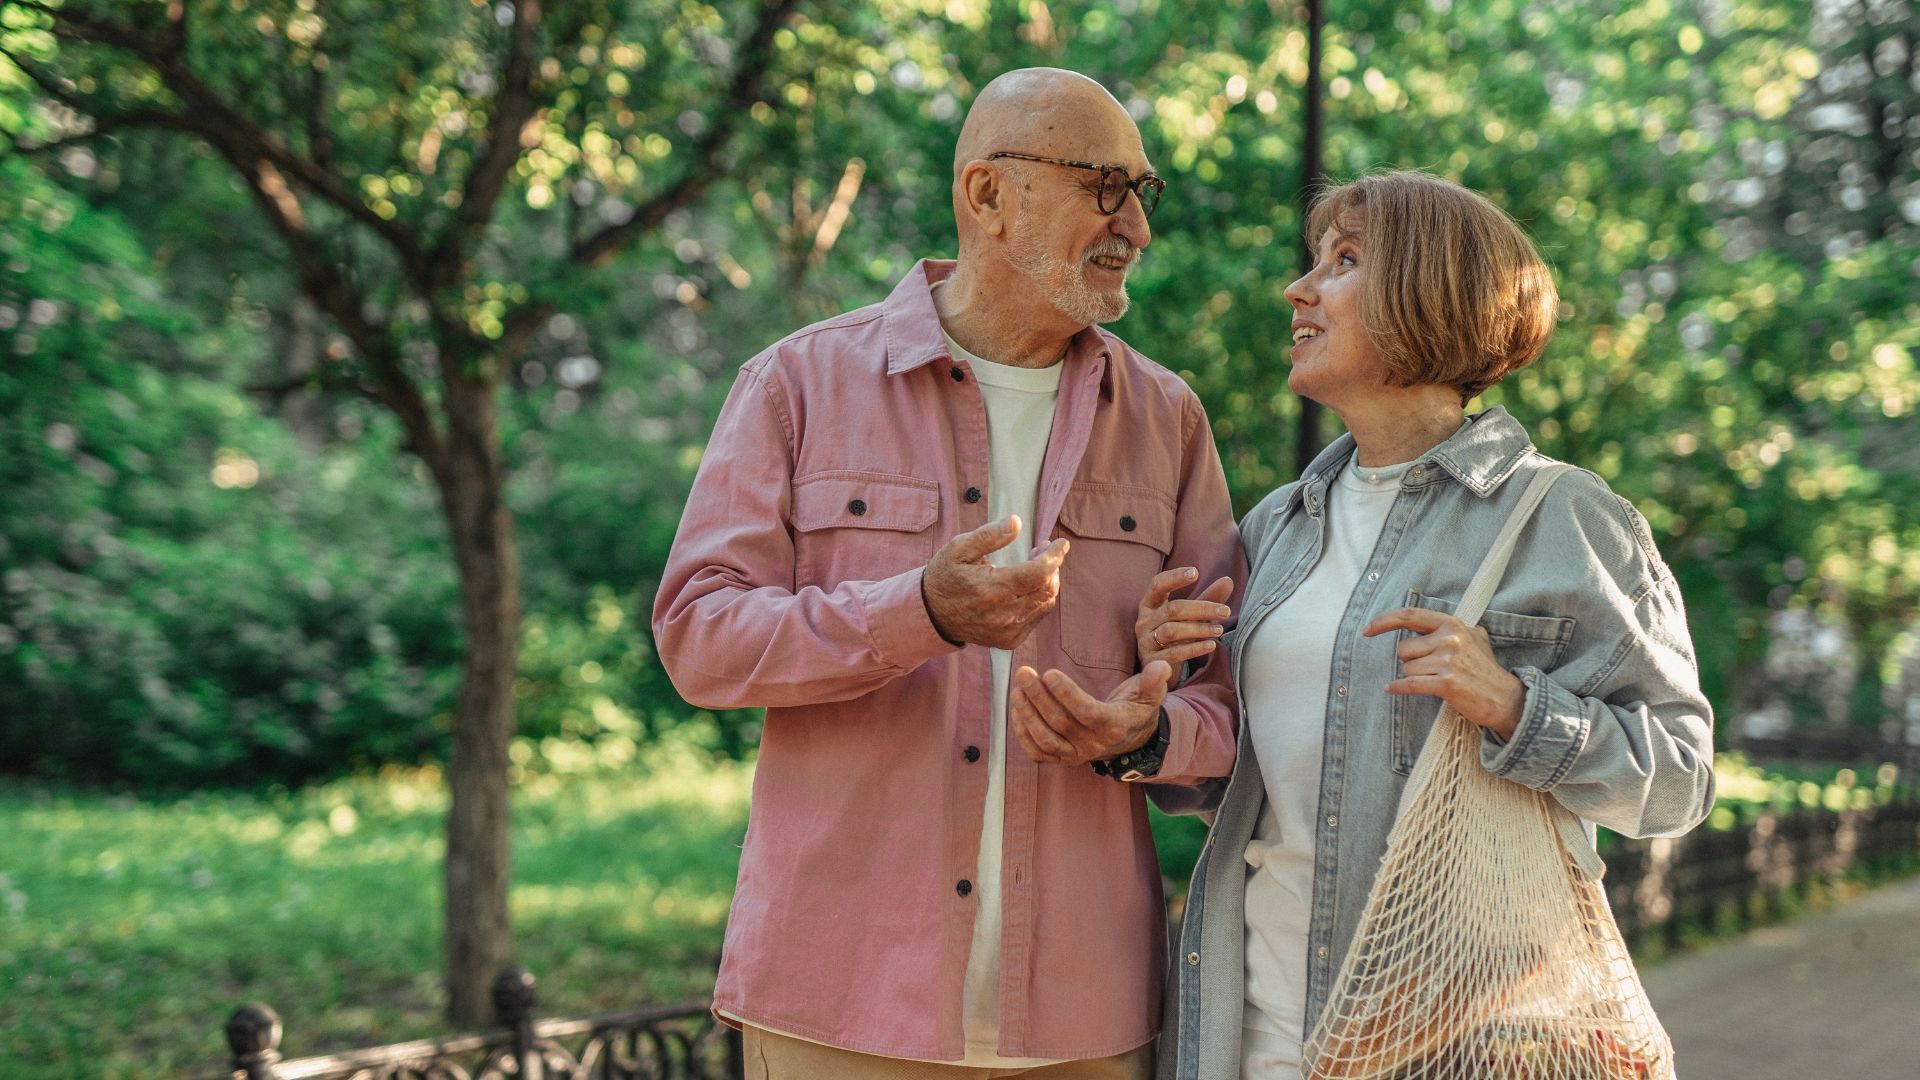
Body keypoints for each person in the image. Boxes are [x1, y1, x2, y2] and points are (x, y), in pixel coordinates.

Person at [652, 67, 1245, 1079]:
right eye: (1107, 187)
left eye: (1145, 194)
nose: (1136, 227)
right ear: (987, 195)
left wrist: (1146, 734)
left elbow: (1232, 709)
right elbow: (700, 641)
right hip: (838, 998)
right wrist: (917, 611)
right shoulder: (797, 385)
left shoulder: (1168, 420)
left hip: (1085, 1014)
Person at [1143, 170, 1717, 1080]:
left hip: (1452, 1047)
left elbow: (1681, 781)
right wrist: (1159, 704)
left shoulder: (1562, 517)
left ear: (1427, 293)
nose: (1299, 290)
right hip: (1246, 1031)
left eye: (1344, 261)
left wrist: (1513, 707)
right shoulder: (1276, 527)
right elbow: (1245, 785)